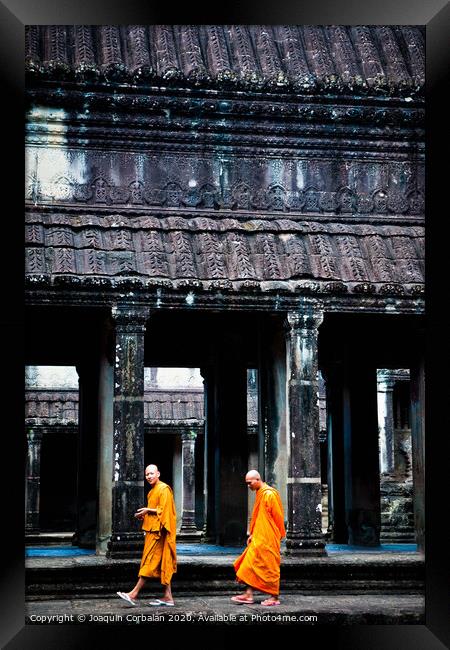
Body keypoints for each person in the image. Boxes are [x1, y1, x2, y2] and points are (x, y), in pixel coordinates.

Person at [117, 464, 177, 607]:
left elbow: (165, 511)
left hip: (159, 535)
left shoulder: (164, 489)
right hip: (153, 532)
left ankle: (133, 593)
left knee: (149, 563)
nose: (149, 476)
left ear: (158, 474)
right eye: (147, 474)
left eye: (151, 473)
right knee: (163, 564)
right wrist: (145, 515)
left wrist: (148, 510)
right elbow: (156, 513)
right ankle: (168, 597)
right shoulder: (152, 492)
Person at [231, 470, 286, 606]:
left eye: (250, 483)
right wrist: (253, 534)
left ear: (257, 479)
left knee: (270, 566)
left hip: (268, 538)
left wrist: (278, 535)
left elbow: (278, 517)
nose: (248, 486)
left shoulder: (269, 494)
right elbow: (258, 516)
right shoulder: (260, 493)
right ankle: (248, 594)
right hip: (259, 537)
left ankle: (274, 597)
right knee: (248, 564)